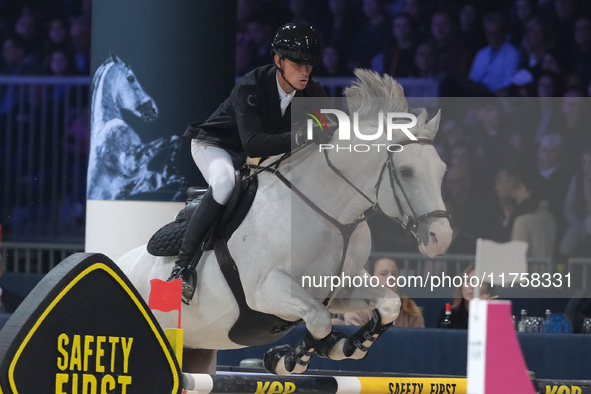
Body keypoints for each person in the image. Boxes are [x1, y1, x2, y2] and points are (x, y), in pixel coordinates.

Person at [168, 23, 328, 303]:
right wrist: (303, 134)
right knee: (224, 183)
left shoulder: (312, 91)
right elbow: (253, 142)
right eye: (298, 64)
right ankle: (181, 269)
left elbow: (325, 130)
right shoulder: (252, 86)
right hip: (216, 146)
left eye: (310, 65)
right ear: (278, 61)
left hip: (252, 155)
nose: (305, 71)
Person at [344, 256, 425, 328]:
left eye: (395, 274)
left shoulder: (411, 308)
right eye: (383, 274)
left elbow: (419, 341)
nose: (391, 277)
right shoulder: (356, 308)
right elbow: (357, 342)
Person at [436, 264, 496, 329]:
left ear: (488, 289)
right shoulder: (449, 311)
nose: (473, 286)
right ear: (461, 287)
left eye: (479, 282)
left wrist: (484, 309)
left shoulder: (495, 313)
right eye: (468, 281)